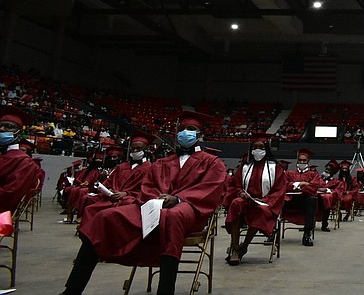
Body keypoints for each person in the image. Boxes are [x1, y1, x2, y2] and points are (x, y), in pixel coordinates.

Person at [61, 111, 227, 295]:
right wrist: (157, 199)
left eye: (191, 129)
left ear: (200, 135)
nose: (185, 132)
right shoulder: (163, 162)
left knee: (171, 217)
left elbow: (209, 190)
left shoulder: (213, 163)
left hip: (189, 208)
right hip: (153, 205)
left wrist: (178, 198)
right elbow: (147, 187)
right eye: (182, 129)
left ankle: (165, 291)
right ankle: (72, 290)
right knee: (104, 216)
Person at [223, 134, 286, 265]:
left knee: (260, 210)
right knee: (235, 203)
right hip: (245, 201)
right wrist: (241, 193)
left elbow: (279, 190)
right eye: (255, 147)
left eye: (261, 147)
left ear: (266, 149)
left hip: (265, 203)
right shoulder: (245, 167)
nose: (258, 150)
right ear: (251, 149)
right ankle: (235, 247)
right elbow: (236, 185)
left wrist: (263, 200)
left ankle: (244, 246)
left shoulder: (275, 168)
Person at [0, 106, 42, 213]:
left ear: (18, 133)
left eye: (8, 126)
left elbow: (9, 194)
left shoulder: (24, 162)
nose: (1, 129)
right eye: (0, 125)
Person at [283, 148, 324, 247]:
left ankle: (306, 234)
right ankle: (272, 233)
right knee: (278, 199)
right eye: (300, 160)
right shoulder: (289, 173)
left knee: (312, 200)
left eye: (304, 160)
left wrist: (294, 186)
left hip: (305, 201)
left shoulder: (314, 175)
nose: (302, 162)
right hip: (290, 201)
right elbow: (284, 185)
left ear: (308, 161)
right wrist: (301, 184)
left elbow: (313, 188)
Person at [318, 159, 344, 231]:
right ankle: (307, 224)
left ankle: (324, 224)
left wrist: (327, 190)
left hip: (329, 201)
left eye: (329, 170)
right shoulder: (318, 179)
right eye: (326, 169)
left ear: (333, 172)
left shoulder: (337, 182)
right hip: (317, 198)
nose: (327, 171)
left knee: (327, 199)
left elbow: (338, 192)